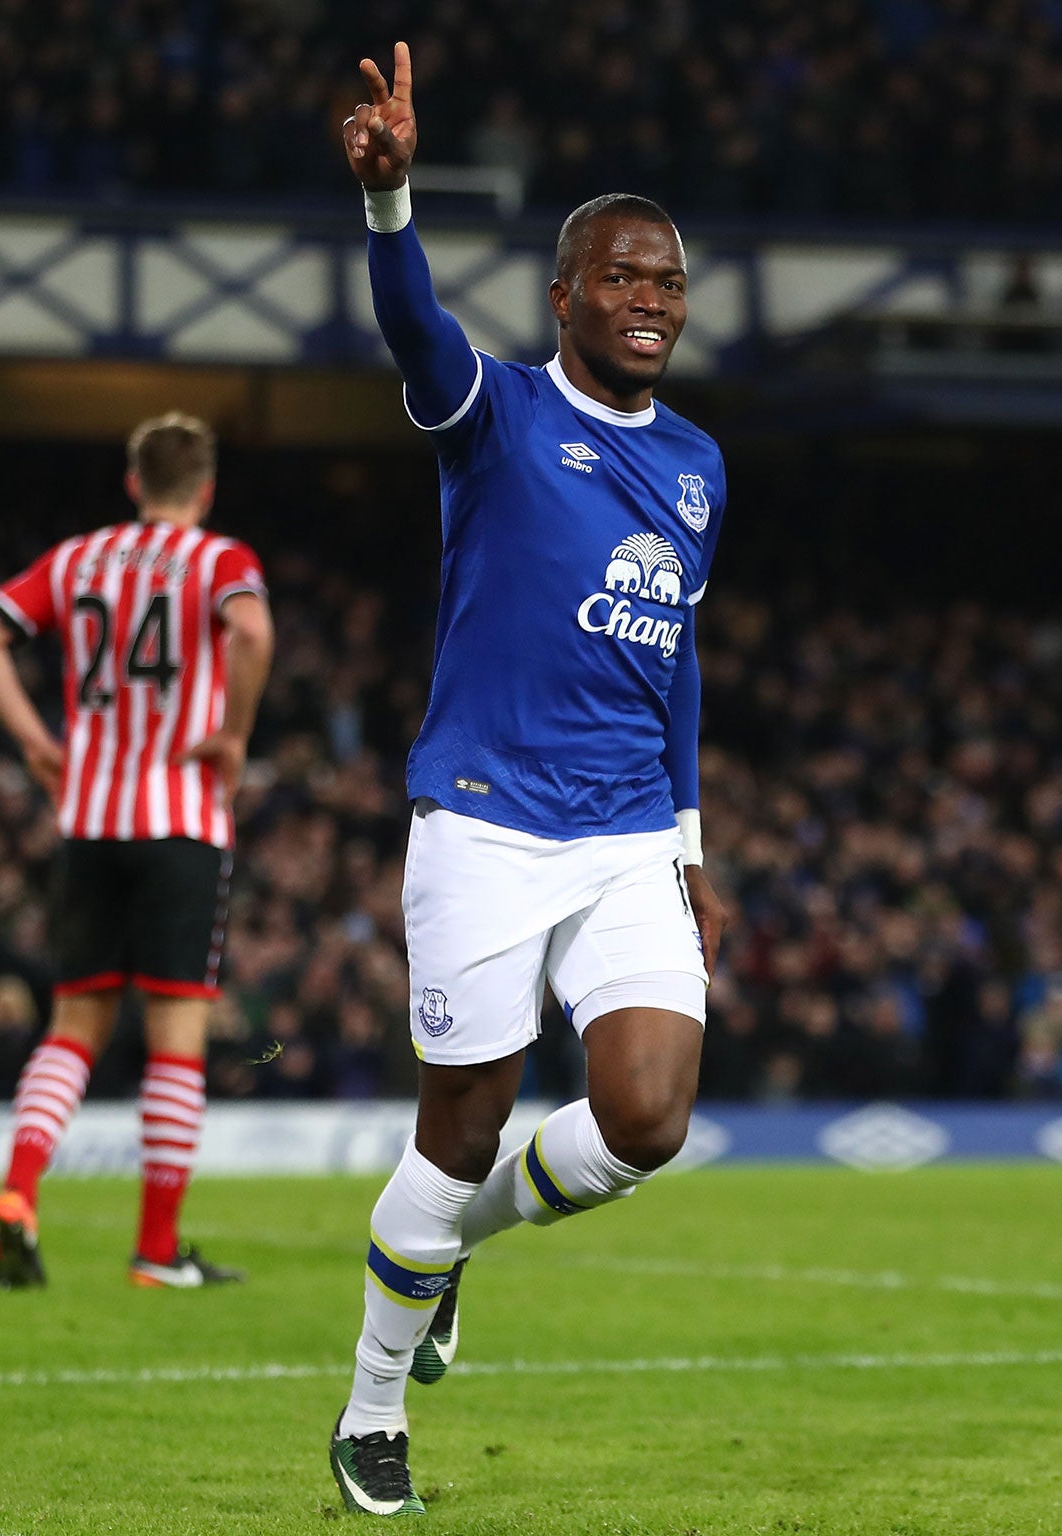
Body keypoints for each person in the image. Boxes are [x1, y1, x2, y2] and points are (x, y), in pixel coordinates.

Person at [326, 44, 729, 1515]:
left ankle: (448, 1263)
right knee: (459, 1131)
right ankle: (373, 1409)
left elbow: (674, 659)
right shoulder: (494, 414)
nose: (649, 302)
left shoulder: (697, 466)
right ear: (564, 296)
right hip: (486, 826)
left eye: (669, 284)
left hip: (628, 837)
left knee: (646, 1122)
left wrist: (688, 840)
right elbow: (413, 331)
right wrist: (390, 207)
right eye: (622, 278)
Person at [0, 412, 274, 1290]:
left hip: (91, 822)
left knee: (72, 1029)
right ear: (204, 490)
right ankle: (156, 1251)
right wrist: (234, 735)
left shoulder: (77, 559)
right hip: (181, 821)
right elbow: (251, 632)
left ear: (133, 483)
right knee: (176, 1039)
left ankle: (19, 1193)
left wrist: (31, 739)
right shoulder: (220, 560)